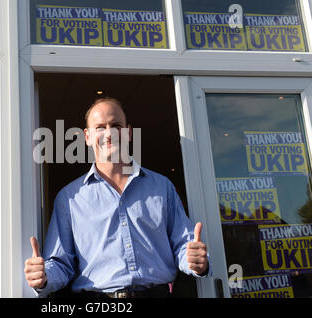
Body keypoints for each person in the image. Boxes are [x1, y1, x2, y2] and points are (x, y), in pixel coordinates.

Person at [24, 98, 210, 298]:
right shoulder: (69, 199)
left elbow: (184, 245)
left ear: (129, 133)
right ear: (87, 137)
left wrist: (197, 261)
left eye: (116, 126)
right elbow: (61, 263)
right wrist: (43, 278)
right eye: (100, 127)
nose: (109, 133)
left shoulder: (162, 186)